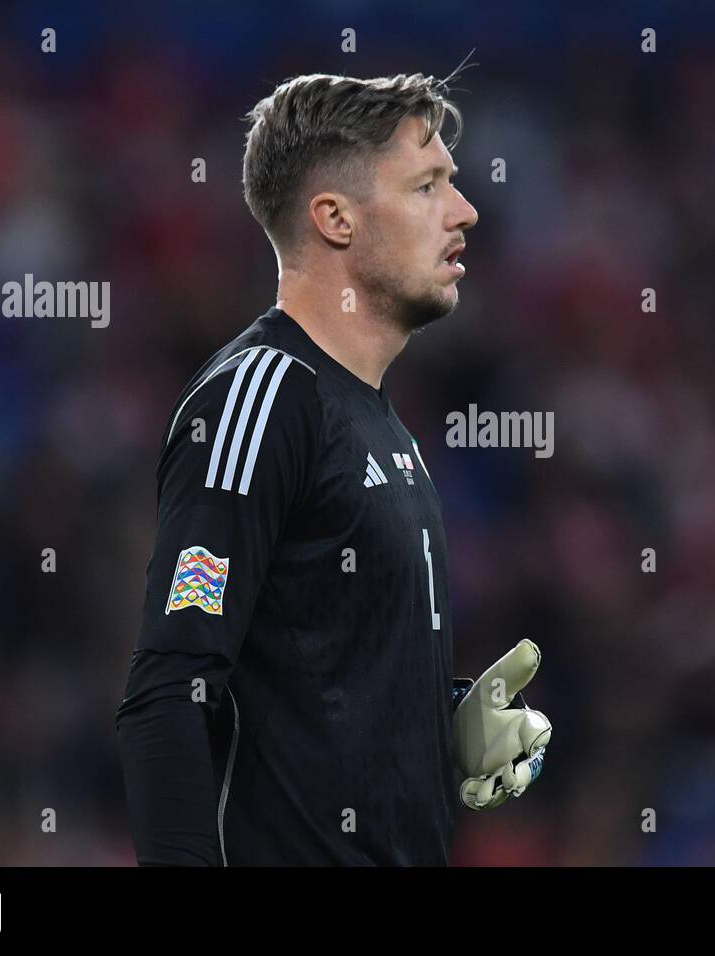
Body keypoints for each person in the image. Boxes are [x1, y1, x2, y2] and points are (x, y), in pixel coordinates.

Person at [116, 67, 550, 866]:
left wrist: (442, 729)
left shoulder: (385, 430)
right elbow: (172, 690)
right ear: (336, 219)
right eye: (427, 186)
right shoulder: (261, 399)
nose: (465, 211)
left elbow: (310, 689)